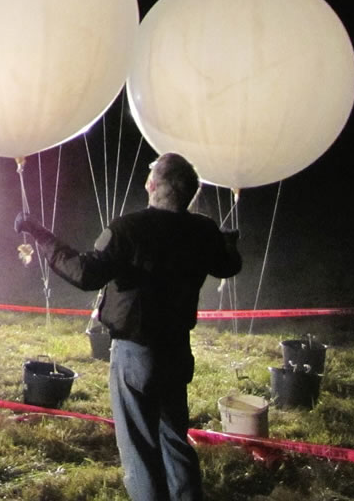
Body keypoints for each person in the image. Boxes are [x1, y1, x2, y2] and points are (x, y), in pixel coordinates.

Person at [14, 152, 241, 501]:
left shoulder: (128, 229)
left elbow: (85, 273)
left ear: (151, 185)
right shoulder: (203, 230)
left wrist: (40, 235)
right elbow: (228, 265)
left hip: (136, 353)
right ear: (190, 194)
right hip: (178, 350)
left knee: (139, 448)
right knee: (175, 440)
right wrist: (228, 241)